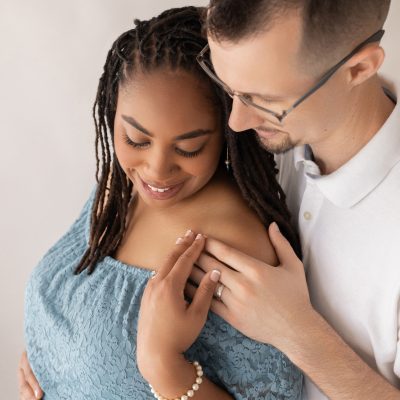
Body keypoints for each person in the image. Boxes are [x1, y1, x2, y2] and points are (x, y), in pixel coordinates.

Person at [19, 6, 304, 400]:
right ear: (111, 113)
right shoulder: (120, 185)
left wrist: (164, 365)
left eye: (189, 147)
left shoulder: (233, 247)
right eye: (137, 139)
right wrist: (49, 350)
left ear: (226, 131)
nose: (157, 170)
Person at [180, 1, 398, 399]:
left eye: (263, 100)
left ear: (359, 69)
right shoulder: (254, 143)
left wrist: (295, 331)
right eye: (228, 86)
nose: (235, 121)